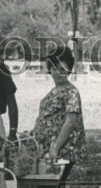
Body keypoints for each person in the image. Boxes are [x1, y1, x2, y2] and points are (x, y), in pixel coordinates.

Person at [32, 45, 85, 178]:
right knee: (47, 187)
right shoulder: (54, 91)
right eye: (54, 68)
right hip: (46, 150)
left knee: (53, 187)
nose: (58, 72)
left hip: (61, 150)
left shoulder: (71, 92)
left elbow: (70, 122)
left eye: (62, 69)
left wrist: (55, 148)